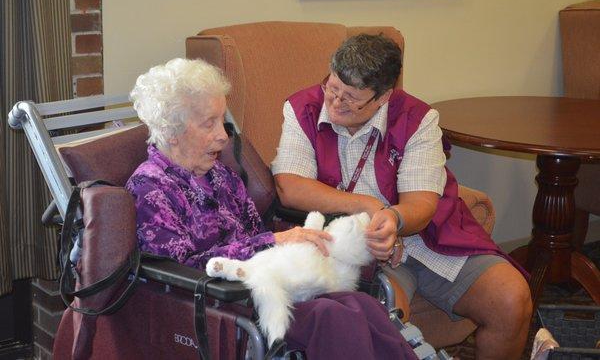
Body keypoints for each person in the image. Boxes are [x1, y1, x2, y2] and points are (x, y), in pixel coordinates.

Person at [125, 58, 417, 359]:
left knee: (363, 306)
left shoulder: (222, 176)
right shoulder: (151, 189)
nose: (224, 137)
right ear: (172, 131)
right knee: (330, 316)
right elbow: (179, 270)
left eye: (222, 121)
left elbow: (256, 234)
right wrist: (274, 242)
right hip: (224, 305)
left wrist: (299, 243)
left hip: (271, 285)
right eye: (208, 123)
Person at [271, 34, 533, 360]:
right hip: (356, 247)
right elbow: (289, 186)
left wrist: (394, 219)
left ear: (383, 97)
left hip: (428, 237)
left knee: (511, 297)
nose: (335, 103)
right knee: (380, 319)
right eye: (332, 88)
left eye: (351, 98)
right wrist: (369, 207)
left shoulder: (418, 119)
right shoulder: (302, 109)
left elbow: (421, 204)